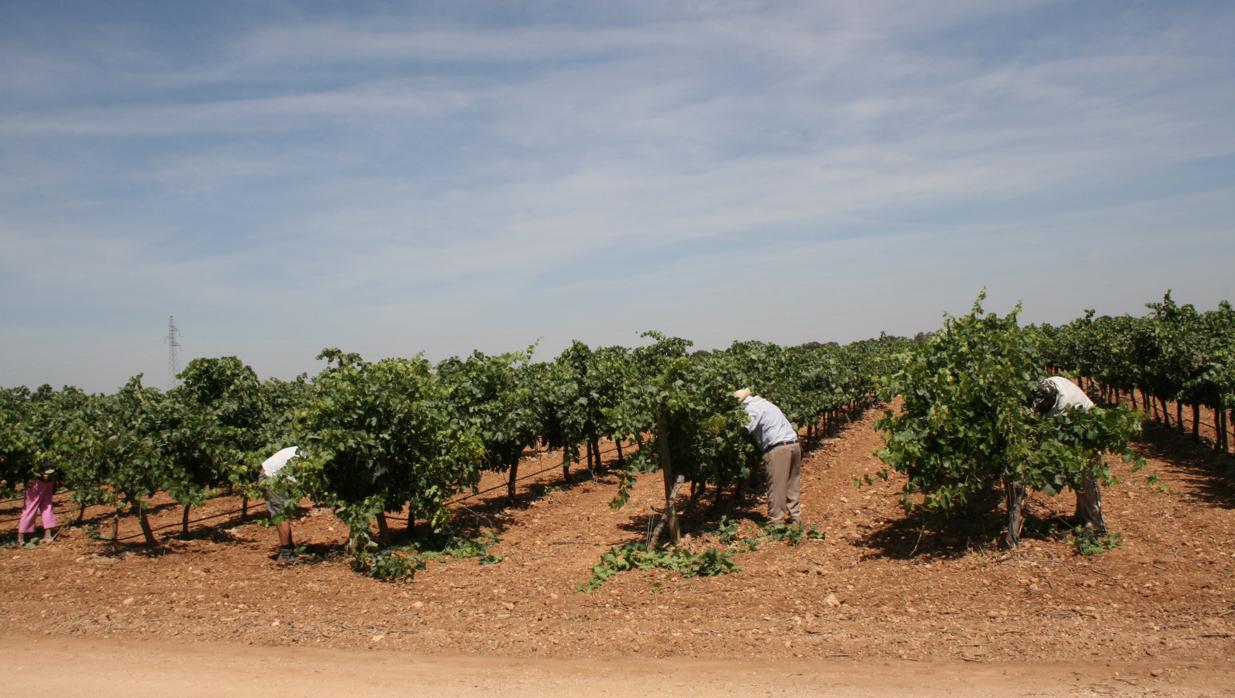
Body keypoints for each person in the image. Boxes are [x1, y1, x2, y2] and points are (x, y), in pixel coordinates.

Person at [1034, 376, 1105, 533]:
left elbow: (1055, 434)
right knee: (1078, 480)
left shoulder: (1064, 403)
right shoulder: (1048, 383)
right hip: (1073, 430)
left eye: (1045, 403)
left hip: (1087, 434)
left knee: (1087, 479)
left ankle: (1097, 525)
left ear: (1052, 398)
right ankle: (1081, 516)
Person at [734, 388, 802, 526]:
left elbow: (744, 429)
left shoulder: (751, 409)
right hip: (794, 444)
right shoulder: (766, 404)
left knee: (776, 486)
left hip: (778, 448)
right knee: (792, 483)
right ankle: (796, 517)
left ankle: (776, 523)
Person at [260, 446, 299, 563]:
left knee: (283, 512)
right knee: (281, 514)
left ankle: (290, 549)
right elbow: (294, 481)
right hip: (271, 477)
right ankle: (285, 554)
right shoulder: (302, 457)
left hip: (274, 475)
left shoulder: (305, 452)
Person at [17, 467, 58, 545]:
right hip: (49, 478)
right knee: (47, 506)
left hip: (36, 479)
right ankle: (48, 535)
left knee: (30, 508)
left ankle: (20, 538)